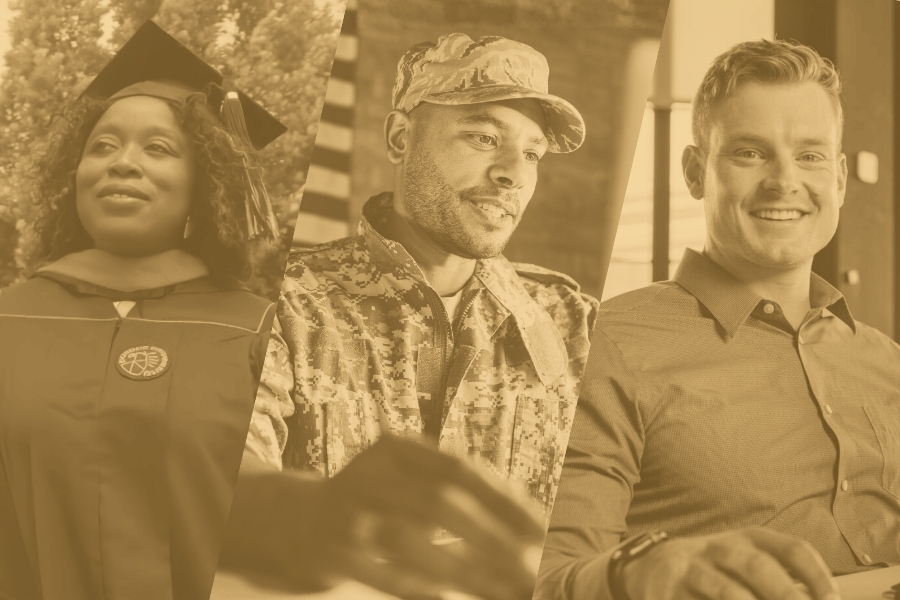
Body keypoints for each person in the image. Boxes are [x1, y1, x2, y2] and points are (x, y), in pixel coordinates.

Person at [226, 33, 599, 599]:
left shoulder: (576, 324)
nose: (513, 174)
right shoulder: (285, 306)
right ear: (401, 137)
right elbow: (225, 476)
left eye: (532, 153)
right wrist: (310, 513)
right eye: (483, 136)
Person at [535, 39, 900, 600]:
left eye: (810, 155)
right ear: (694, 172)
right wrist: (639, 571)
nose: (785, 181)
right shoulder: (606, 344)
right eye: (750, 153)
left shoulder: (884, 358)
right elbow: (553, 578)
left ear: (841, 179)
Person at [0, 21, 286, 600]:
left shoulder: (261, 330)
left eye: (158, 148)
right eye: (101, 146)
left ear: (204, 184)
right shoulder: (9, 319)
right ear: (72, 177)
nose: (122, 163)